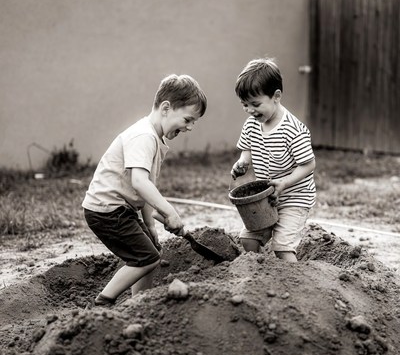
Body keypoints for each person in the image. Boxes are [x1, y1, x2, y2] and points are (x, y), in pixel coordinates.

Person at [82, 74, 207, 305]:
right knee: (146, 258)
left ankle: (140, 303)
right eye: (188, 119)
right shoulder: (144, 136)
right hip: (107, 210)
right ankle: (104, 301)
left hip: (120, 209)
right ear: (166, 108)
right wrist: (169, 212)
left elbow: (146, 188)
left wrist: (150, 224)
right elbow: (139, 182)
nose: (190, 127)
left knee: (152, 251)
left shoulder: (154, 138)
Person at [231, 57, 316, 262]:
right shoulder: (252, 123)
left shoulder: (293, 130)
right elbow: (246, 151)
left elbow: (309, 164)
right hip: (266, 198)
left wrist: (284, 182)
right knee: (248, 240)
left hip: (294, 196)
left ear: (276, 96)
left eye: (255, 104)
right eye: (244, 105)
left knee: (282, 247)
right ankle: (258, 277)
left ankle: (293, 283)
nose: (250, 111)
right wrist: (242, 163)